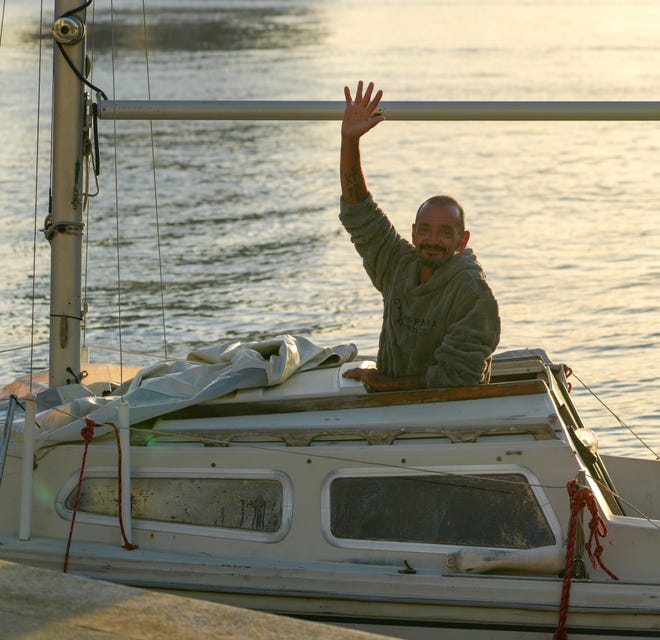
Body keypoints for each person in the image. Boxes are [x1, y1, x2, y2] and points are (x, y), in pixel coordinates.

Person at [339, 81, 500, 392]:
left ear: (462, 241)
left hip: (451, 417)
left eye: (445, 232)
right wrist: (349, 140)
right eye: (425, 229)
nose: (433, 240)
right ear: (413, 233)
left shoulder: (472, 291)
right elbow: (360, 212)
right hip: (392, 403)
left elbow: (459, 378)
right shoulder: (398, 265)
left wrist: (386, 384)